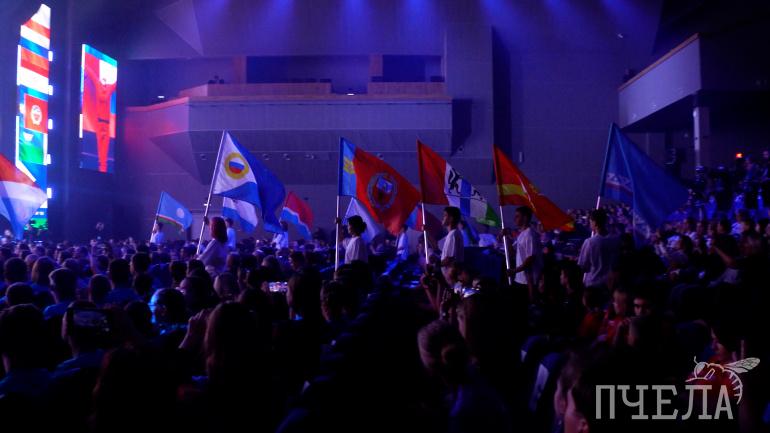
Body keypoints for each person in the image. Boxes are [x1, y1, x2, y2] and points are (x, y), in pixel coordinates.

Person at [577, 209, 619, 288]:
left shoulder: (590, 242)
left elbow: (583, 266)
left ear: (595, 222)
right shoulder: (616, 240)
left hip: (594, 284)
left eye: (590, 221)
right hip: (611, 284)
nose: (590, 224)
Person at [508, 206, 543, 302]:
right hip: (520, 279)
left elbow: (530, 258)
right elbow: (513, 252)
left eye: (517, 216)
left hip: (528, 281)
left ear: (525, 218)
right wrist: (506, 238)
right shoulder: (522, 234)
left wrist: (514, 270)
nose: (514, 219)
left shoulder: (530, 234)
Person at [441, 206, 464, 279]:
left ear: (451, 218)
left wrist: (436, 265)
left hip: (451, 278)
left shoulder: (453, 234)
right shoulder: (451, 234)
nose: (443, 218)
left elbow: (449, 259)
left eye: (445, 215)